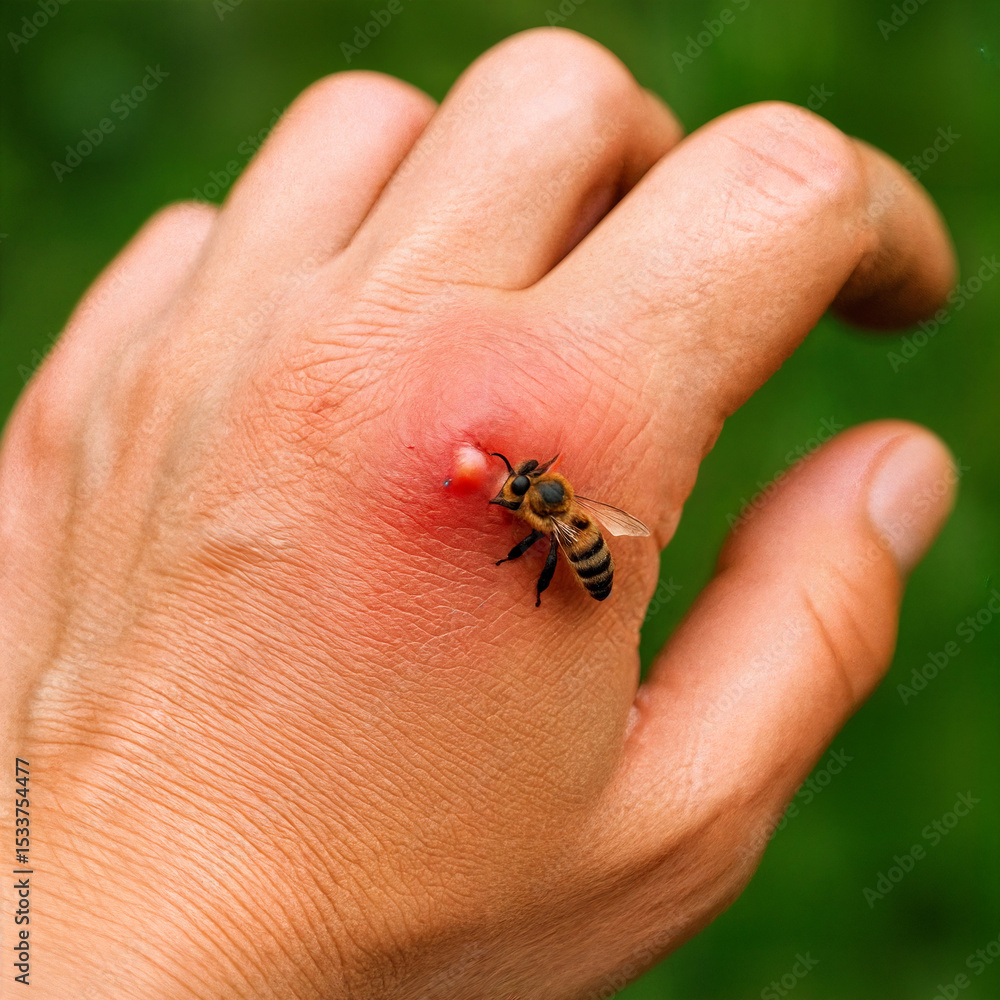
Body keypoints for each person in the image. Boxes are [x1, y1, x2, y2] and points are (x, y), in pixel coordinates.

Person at [1, 28, 957, 999]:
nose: (519, 495)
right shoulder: (554, 502)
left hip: (579, 554)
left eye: (522, 490)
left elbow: (556, 534)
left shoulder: (542, 522)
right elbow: (573, 517)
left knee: (542, 569)